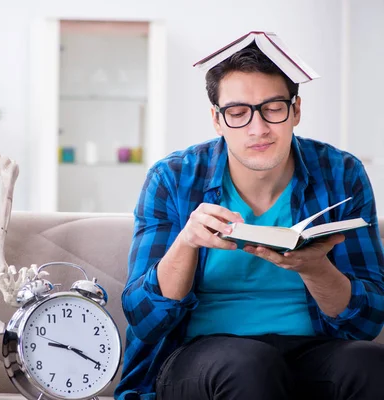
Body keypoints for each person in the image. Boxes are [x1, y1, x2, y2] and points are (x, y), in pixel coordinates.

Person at [116, 39, 384, 400]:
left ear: (296, 111)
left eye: (273, 108)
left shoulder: (341, 173)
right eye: (238, 112)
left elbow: (366, 323)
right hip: (200, 357)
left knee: (370, 365)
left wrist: (315, 268)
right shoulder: (173, 178)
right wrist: (187, 242)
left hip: (311, 350)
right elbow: (144, 319)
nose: (258, 129)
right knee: (250, 365)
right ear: (216, 119)